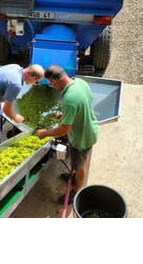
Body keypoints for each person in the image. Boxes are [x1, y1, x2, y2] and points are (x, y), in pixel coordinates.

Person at [35, 64, 99, 205]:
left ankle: (76, 191)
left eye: (51, 83)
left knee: (79, 166)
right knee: (81, 159)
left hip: (82, 137)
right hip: (91, 128)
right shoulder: (80, 82)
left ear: (55, 80)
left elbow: (64, 130)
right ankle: (74, 176)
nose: (52, 86)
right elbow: (82, 103)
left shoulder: (69, 100)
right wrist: (66, 115)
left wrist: (44, 133)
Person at [0, 63, 44, 151]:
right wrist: (15, 117)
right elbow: (6, 110)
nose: (34, 83)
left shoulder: (15, 66)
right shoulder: (16, 85)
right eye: (36, 81)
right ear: (33, 77)